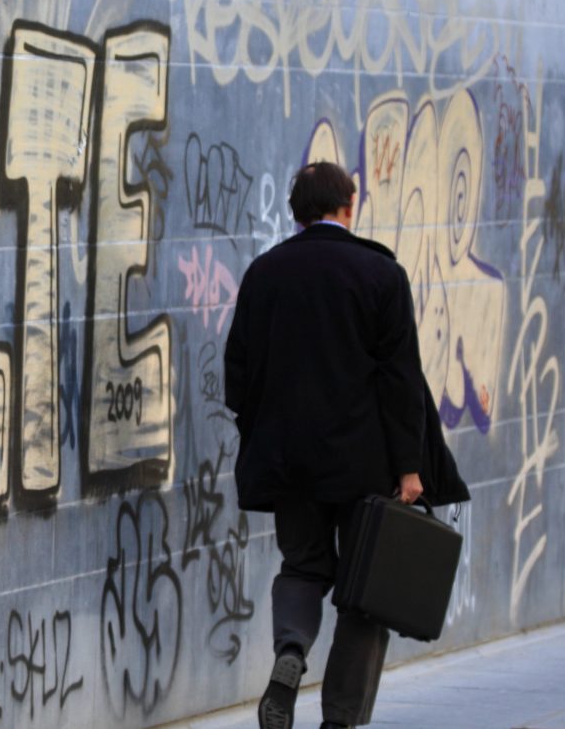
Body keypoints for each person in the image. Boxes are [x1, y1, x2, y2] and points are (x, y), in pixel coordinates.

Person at [224, 162, 425, 729]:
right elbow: (401, 379)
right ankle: (338, 718)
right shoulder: (381, 273)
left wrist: (264, 434)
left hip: (289, 461)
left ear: (297, 212)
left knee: (302, 566)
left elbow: (237, 372)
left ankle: (290, 651)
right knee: (365, 590)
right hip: (366, 465)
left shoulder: (264, 273)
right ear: (348, 207)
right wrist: (409, 467)